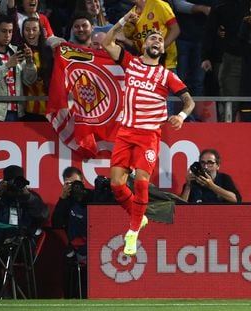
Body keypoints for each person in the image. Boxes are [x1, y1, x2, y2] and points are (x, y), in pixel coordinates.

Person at [103, 11, 195, 256]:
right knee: (116, 185)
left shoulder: (167, 76)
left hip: (149, 135)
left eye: (160, 39)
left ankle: (132, 233)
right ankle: (138, 215)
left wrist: (181, 116)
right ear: (144, 44)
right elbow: (106, 42)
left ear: (163, 49)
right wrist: (124, 20)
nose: (156, 41)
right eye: (152, 38)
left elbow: (189, 102)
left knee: (142, 182)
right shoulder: (131, 63)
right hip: (125, 132)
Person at [0, 165, 49, 296]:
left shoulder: (30, 197)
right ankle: (1, 296)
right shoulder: (0, 198)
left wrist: (28, 197)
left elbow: (43, 215)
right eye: (11, 183)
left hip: (22, 248)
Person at [51, 166, 92, 298]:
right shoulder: (66, 202)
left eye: (76, 183)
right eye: (69, 184)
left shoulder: (93, 197)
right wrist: (63, 197)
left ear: (83, 182)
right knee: (66, 256)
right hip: (74, 250)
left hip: (96, 248)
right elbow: (56, 223)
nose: (74, 187)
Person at [0, 14, 37, 121]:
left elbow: (29, 81)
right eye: (4, 31)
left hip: (18, 113)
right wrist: (7, 65)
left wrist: (29, 63)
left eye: (10, 31)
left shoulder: (16, 51)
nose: (7, 35)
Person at [21, 16, 53, 122]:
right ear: (22, 32)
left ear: (40, 32)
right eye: (27, 29)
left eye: (34, 29)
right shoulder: (17, 52)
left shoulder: (50, 52)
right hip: (27, 110)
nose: (30, 33)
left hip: (49, 109)